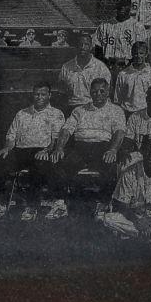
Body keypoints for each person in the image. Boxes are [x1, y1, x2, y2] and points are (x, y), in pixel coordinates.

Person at [47, 76, 126, 219]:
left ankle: (104, 204)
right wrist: (59, 148)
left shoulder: (116, 110)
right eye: (95, 92)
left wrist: (113, 149)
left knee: (110, 164)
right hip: (80, 147)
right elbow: (66, 130)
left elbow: (120, 132)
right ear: (90, 93)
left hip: (102, 147)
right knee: (58, 161)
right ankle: (60, 203)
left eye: (102, 91)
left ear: (108, 92)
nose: (98, 95)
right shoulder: (79, 110)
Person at [0, 81, 64, 221]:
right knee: (0, 160)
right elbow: (11, 135)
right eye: (36, 94)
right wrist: (7, 148)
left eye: (43, 94)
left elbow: (56, 139)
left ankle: (31, 207)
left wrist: (47, 150)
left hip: (41, 150)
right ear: (32, 95)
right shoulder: (22, 113)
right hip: (20, 150)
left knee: (38, 166)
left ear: (50, 95)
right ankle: (1, 204)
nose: (39, 97)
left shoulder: (56, 114)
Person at [98, 134, 151, 242]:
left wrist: (149, 221)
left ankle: (135, 234)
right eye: (147, 149)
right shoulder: (129, 172)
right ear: (141, 151)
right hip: (134, 217)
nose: (150, 153)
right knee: (106, 218)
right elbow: (122, 204)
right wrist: (139, 222)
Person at [57, 34, 110, 113]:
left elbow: (105, 93)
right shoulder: (66, 67)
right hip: (72, 107)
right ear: (76, 46)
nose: (83, 47)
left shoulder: (101, 68)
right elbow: (61, 91)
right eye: (80, 44)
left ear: (91, 47)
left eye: (86, 44)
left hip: (93, 108)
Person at [114, 41, 151, 114]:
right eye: (136, 53)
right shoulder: (123, 74)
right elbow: (118, 98)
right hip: (127, 112)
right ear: (132, 54)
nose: (138, 56)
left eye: (141, 53)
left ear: (146, 54)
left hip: (145, 113)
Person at [94, 0, 139, 69]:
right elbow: (98, 50)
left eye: (124, 5)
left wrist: (130, 64)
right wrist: (104, 64)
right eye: (119, 5)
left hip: (128, 67)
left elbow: (140, 51)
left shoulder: (137, 27)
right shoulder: (104, 26)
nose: (122, 8)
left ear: (130, 7)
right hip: (108, 65)